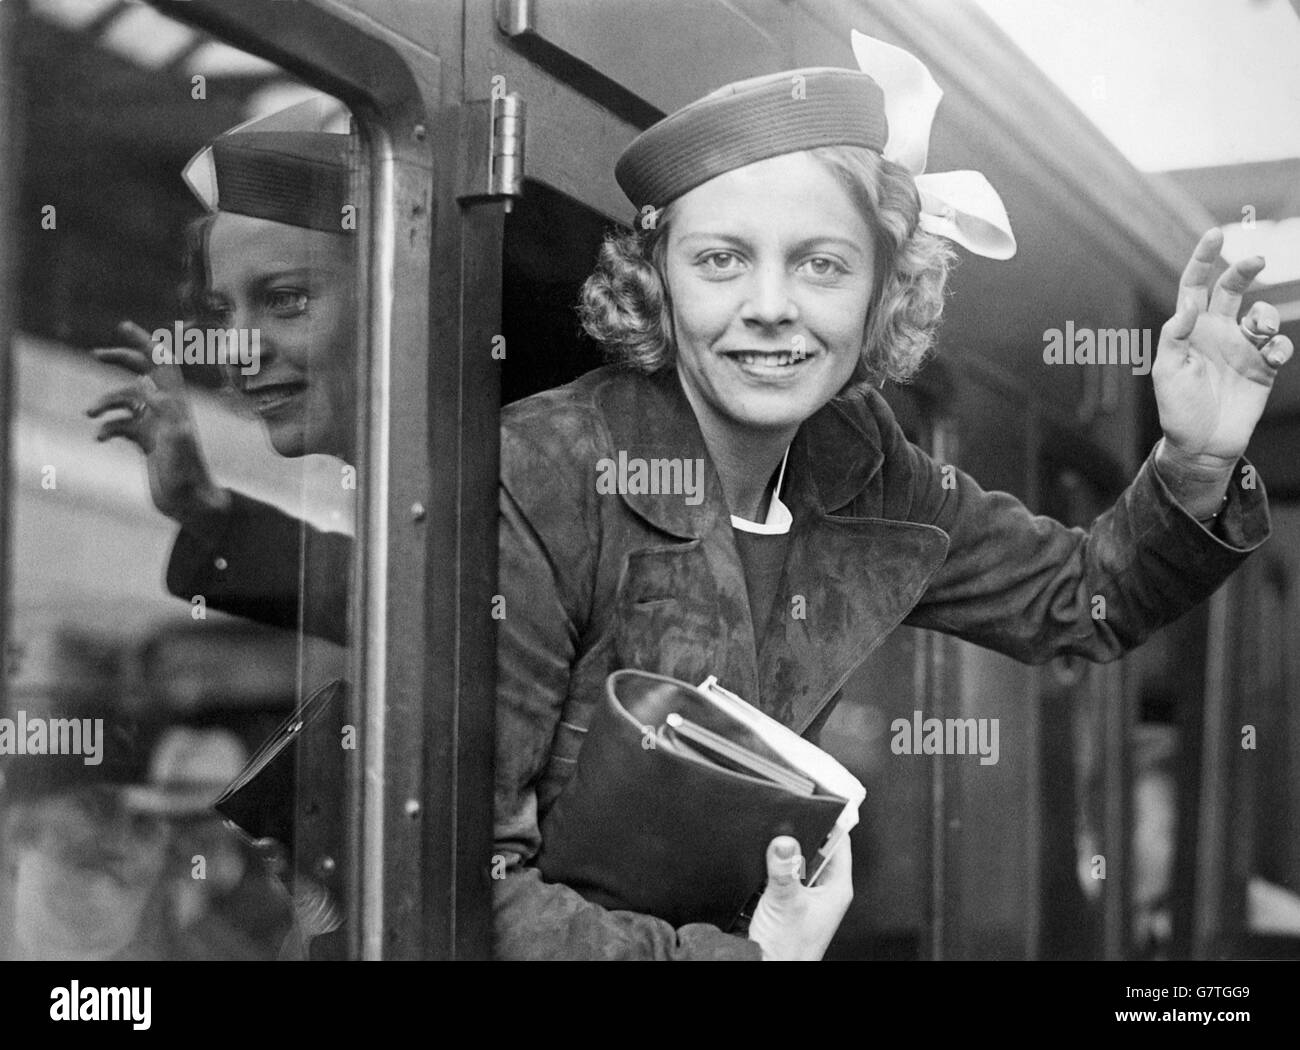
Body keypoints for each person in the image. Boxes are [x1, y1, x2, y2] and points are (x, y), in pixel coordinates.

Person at [490, 33, 1289, 960]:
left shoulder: (862, 462)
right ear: (655, 282)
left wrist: (1195, 457)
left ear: (881, 296)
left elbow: (1084, 599)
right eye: (720, 261)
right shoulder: (546, 471)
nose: (771, 305)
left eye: (822, 264)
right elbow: (472, 892)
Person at [85, 99, 357, 644]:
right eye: (223, 310)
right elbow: (387, 600)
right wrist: (203, 506)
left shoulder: (505, 486)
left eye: (285, 299)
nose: (238, 349)